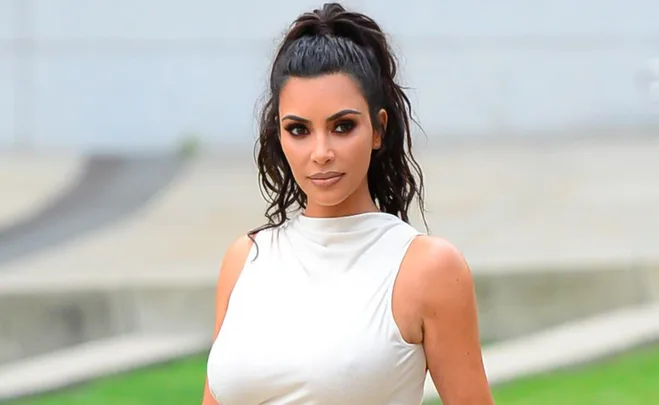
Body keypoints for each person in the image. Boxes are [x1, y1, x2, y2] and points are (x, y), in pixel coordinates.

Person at [203, 3, 493, 404]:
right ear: (279, 135)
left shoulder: (427, 268)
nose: (321, 152)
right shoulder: (246, 259)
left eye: (342, 127)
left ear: (378, 129)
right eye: (299, 130)